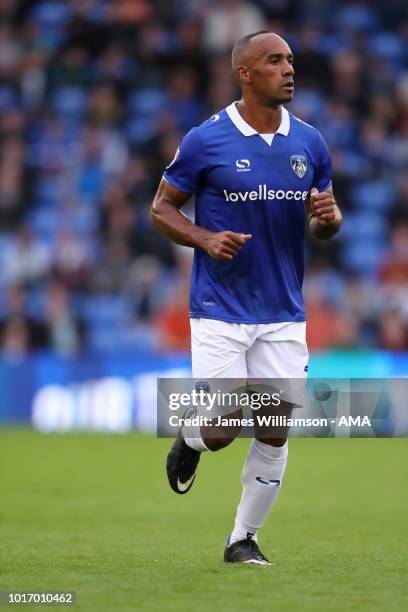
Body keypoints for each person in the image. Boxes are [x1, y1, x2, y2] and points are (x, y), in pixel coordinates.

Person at [151, 31, 342, 566]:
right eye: (274, 60)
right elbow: (161, 209)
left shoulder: (310, 142)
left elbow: (324, 223)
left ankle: (243, 540)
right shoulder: (206, 139)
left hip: (283, 312)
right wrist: (204, 238)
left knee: (274, 428)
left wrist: (329, 220)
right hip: (219, 310)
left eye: (290, 61)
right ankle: (190, 438)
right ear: (245, 73)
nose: (288, 69)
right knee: (224, 424)